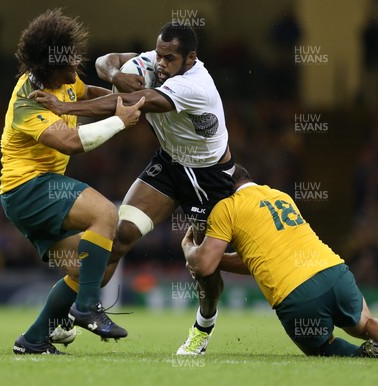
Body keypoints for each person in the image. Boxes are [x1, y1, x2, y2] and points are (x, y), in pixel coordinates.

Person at [30, 22, 233, 354]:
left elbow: (127, 103)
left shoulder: (195, 86)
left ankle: (203, 327)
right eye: (160, 55)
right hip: (170, 165)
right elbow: (103, 61)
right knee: (118, 237)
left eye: (170, 59)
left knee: (204, 266)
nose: (161, 65)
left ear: (190, 58)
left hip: (209, 177)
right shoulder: (155, 60)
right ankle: (70, 315)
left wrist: (65, 108)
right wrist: (115, 74)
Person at [180, 164, 378, 358]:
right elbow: (256, 258)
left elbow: (204, 264)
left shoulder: (226, 208)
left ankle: (370, 355)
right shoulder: (278, 195)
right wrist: (221, 260)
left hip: (296, 294)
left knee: (322, 348)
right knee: (366, 322)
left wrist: (188, 248)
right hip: (334, 271)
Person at [0, 8, 145, 355]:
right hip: (28, 188)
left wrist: (129, 100)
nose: (77, 62)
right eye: (69, 58)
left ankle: (34, 339)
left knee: (95, 266)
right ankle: (87, 309)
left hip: (36, 190)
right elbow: (69, 142)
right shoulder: (27, 102)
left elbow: (88, 95)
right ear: (49, 67)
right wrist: (120, 122)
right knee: (106, 214)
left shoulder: (63, 81)